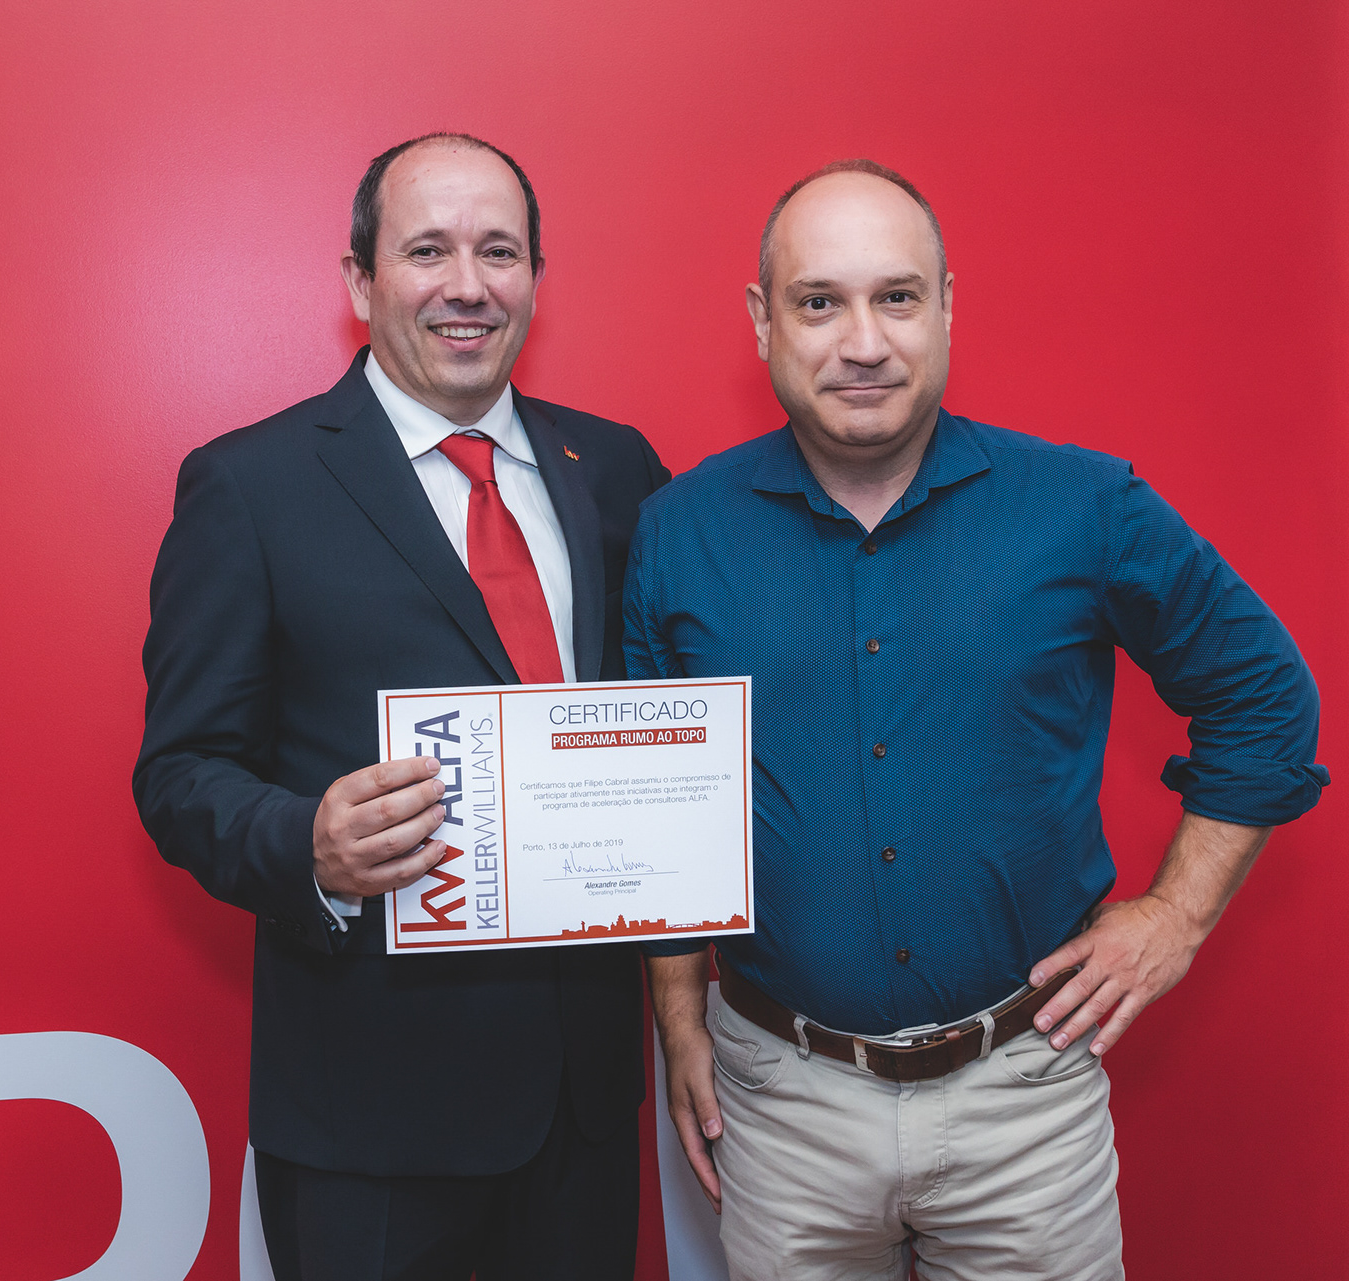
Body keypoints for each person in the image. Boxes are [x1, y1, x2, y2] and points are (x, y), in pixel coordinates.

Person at [631, 159, 1325, 1280]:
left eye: (898, 297)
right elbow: (658, 819)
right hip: (778, 1102)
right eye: (820, 301)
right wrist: (678, 1020)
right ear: (762, 321)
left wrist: (1176, 916)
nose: (864, 341)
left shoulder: (1086, 508)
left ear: (948, 306)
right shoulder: (678, 531)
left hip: (1025, 1098)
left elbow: (1266, 699)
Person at [135, 133, 670, 1281]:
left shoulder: (617, 469)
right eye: (427, 251)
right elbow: (180, 773)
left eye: (499, 252)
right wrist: (307, 844)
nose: (467, 285)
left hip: (581, 1103)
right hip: (365, 1117)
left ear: (535, 278)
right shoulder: (250, 486)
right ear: (359, 280)